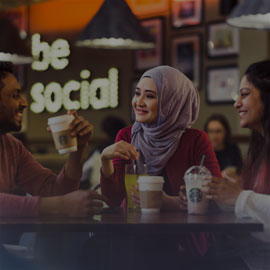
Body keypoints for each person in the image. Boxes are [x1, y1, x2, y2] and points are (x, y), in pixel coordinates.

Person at [100, 65, 221, 267]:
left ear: (171, 101)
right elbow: (112, 199)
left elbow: (216, 199)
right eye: (137, 93)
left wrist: (168, 203)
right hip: (132, 241)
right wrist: (105, 159)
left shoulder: (195, 140)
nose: (138, 102)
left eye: (150, 96)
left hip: (182, 246)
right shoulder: (127, 136)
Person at [0, 61, 105, 268]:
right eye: (14, 95)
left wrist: (77, 150)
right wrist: (58, 206)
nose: (24, 102)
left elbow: (55, 192)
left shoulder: (11, 146)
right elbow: (58, 202)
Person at [206, 59, 270, 270]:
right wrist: (215, 193)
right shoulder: (258, 149)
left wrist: (239, 196)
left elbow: (247, 202)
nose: (236, 103)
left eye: (244, 94)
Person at [81, 116, 126, 190]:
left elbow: (82, 174)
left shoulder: (99, 150)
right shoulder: (131, 148)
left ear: (105, 133)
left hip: (100, 195)